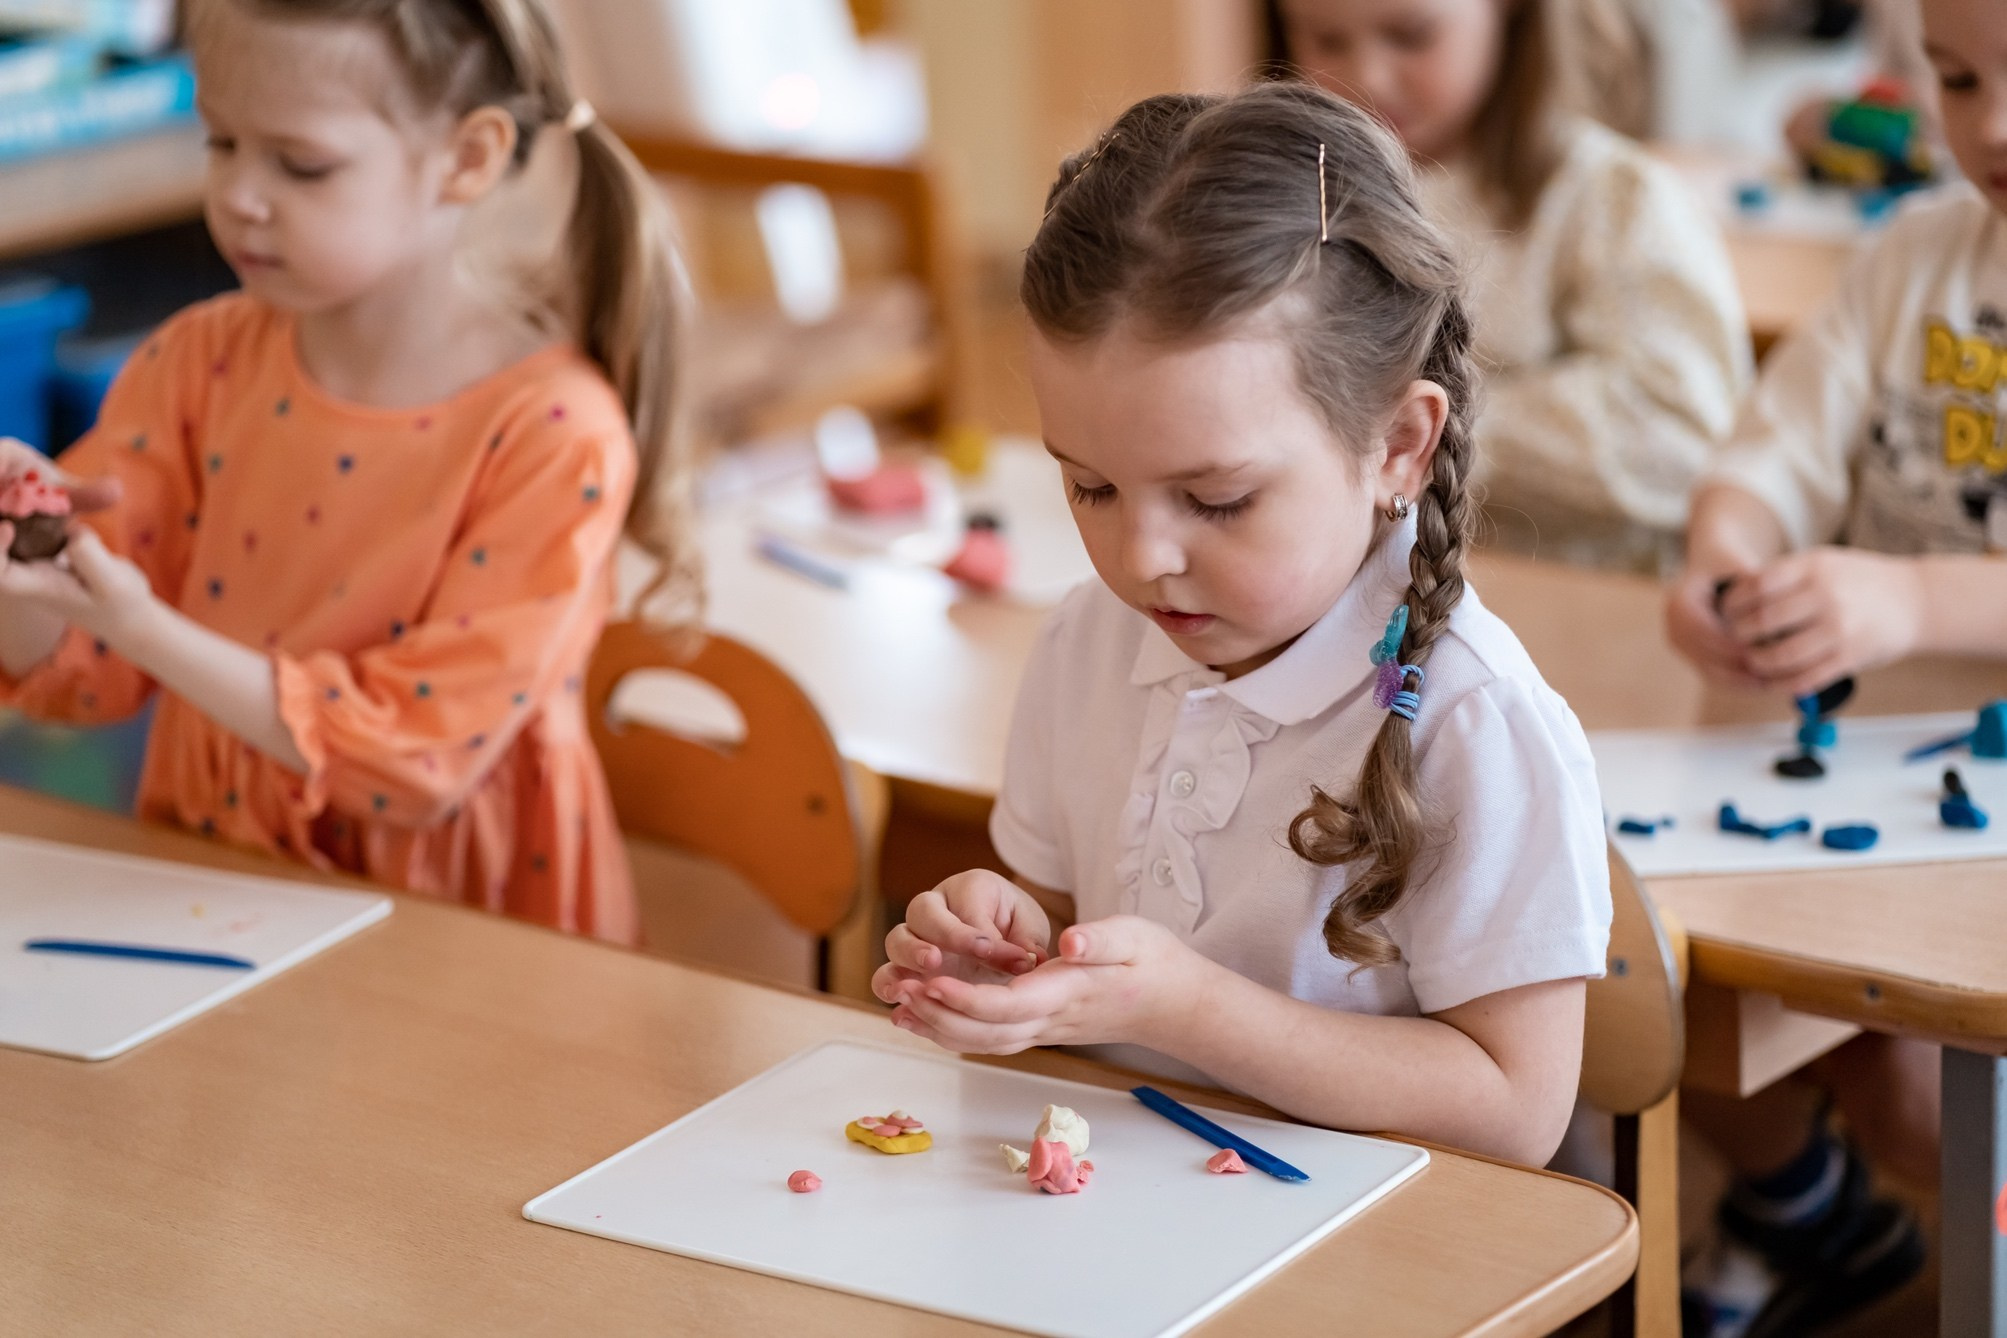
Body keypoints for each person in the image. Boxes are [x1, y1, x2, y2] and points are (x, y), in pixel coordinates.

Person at [872, 83, 1612, 1165]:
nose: (1142, 559)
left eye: (1216, 500)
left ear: (1399, 447)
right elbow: (1060, 913)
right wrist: (1008, 945)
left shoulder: (1474, 723)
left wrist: (1187, 1009)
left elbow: (1517, 1113)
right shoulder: (1091, 640)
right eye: (1090, 488)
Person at [0, 0, 700, 942]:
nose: (243, 195)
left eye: (301, 164)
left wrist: (142, 626)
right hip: (217, 877)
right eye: (220, 143)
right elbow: (78, 670)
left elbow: (417, 759)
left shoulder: (552, 433)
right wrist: (23, 560)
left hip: (461, 924)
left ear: (467, 158)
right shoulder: (197, 360)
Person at [1276, 0, 1753, 572]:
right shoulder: (1297, 202)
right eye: (1327, 41)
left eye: (1412, 36)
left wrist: (1417, 434)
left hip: (1572, 607)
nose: (1369, 77)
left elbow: (1681, 439)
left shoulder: (1615, 199)